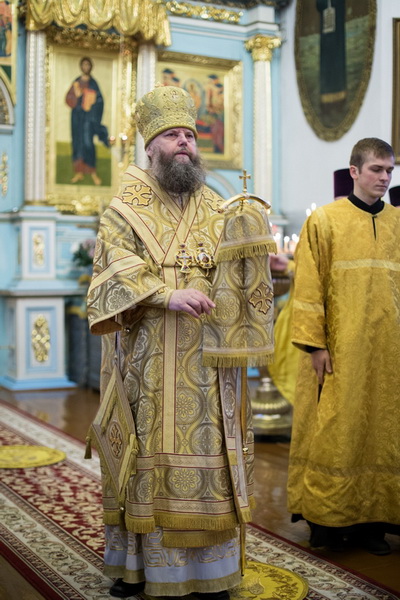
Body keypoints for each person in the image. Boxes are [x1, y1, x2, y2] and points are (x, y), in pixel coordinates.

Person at [86, 86, 268, 599]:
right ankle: (140, 570)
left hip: (210, 362)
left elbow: (235, 268)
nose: (184, 142)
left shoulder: (215, 204)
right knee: (148, 452)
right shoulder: (124, 208)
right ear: (151, 146)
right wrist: (167, 294)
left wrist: (257, 254)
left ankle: (210, 574)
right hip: (150, 356)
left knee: (212, 455)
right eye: (172, 135)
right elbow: (113, 269)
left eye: (189, 134)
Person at [287, 137, 400, 555]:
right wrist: (315, 345)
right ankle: (328, 524)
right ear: (354, 171)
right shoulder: (325, 221)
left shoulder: (398, 222)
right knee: (335, 431)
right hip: (339, 350)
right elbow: (308, 285)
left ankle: (373, 525)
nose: (384, 178)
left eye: (389, 171)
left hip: (388, 353)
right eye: (376, 169)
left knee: (382, 433)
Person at [65, 56, 109, 186]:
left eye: (87, 65)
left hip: (89, 119)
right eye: (83, 65)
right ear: (81, 67)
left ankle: (93, 172)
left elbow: (100, 101)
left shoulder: (93, 83)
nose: (85, 67)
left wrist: (92, 104)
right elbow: (69, 98)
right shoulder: (76, 82)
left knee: (88, 143)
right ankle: (79, 172)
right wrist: (77, 97)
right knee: (77, 143)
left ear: (91, 67)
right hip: (77, 118)